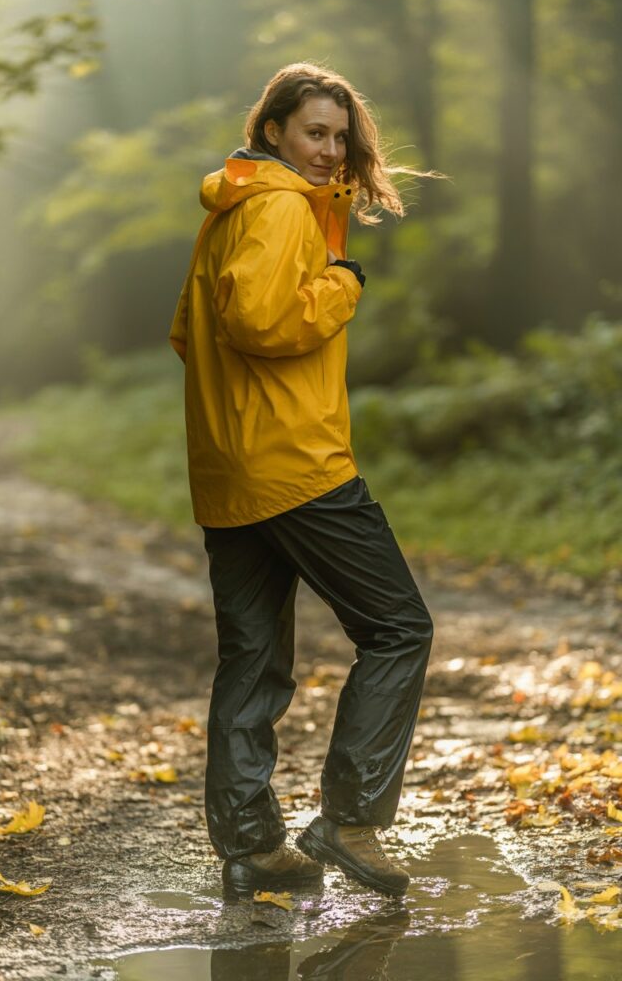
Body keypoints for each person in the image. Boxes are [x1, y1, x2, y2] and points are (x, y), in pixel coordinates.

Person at [169, 62, 436, 898]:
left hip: (229, 467)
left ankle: (252, 846)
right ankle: (351, 820)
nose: (329, 151)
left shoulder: (233, 208)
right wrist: (341, 285)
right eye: (313, 132)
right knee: (399, 629)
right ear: (274, 129)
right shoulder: (281, 206)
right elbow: (257, 321)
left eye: (340, 137)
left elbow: (188, 332)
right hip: (297, 462)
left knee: (252, 659)